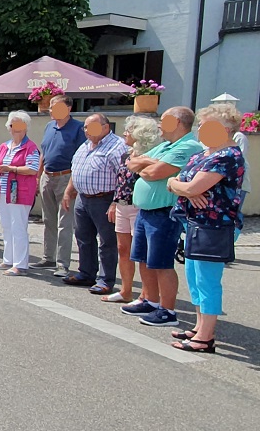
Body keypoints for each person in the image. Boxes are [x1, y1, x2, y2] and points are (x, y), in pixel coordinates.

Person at [166, 105, 246, 353]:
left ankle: (206, 336)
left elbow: (188, 187)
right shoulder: (203, 154)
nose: (201, 129)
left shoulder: (227, 156)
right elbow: (176, 182)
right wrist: (180, 186)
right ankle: (199, 327)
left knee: (208, 281)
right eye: (201, 125)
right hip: (195, 223)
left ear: (225, 129)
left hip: (215, 226)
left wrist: (185, 188)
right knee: (194, 278)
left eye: (207, 125)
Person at [121, 107, 203, 326]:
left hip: (165, 213)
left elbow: (156, 173)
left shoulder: (188, 146)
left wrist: (149, 165)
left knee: (162, 262)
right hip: (146, 211)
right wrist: (150, 164)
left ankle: (167, 311)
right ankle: (151, 300)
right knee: (145, 259)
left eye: (163, 121)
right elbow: (133, 164)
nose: (159, 125)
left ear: (176, 122)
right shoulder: (166, 146)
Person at [61, 114, 125, 292]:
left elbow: (124, 177)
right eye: (86, 128)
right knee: (83, 238)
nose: (87, 131)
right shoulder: (85, 145)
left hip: (104, 199)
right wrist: (68, 191)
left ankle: (105, 280)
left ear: (106, 127)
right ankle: (86, 273)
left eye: (92, 127)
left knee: (107, 241)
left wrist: (116, 202)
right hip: (83, 198)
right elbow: (77, 169)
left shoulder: (118, 146)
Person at [103, 115, 162, 303]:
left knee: (142, 252)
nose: (124, 133)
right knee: (123, 248)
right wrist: (114, 202)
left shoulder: (153, 155)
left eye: (128, 130)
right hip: (123, 205)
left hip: (140, 206)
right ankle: (125, 291)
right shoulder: (126, 155)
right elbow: (120, 182)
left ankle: (146, 294)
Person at [34, 95, 85, 277]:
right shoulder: (49, 127)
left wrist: (73, 184)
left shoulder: (79, 128)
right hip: (48, 176)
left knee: (65, 222)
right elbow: (44, 153)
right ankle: (48, 257)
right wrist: (38, 177)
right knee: (48, 219)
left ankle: (63, 263)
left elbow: (81, 157)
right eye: (50, 107)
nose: (50, 110)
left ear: (68, 108)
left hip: (66, 177)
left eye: (55, 107)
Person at [0, 111, 40, 275]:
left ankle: (20, 264)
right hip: (3, 190)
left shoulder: (30, 147)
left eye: (19, 126)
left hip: (20, 191)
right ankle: (8, 260)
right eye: (13, 125)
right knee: (6, 226)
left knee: (18, 227)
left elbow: (33, 169)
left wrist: (11, 169)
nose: (16, 129)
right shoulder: (4, 146)